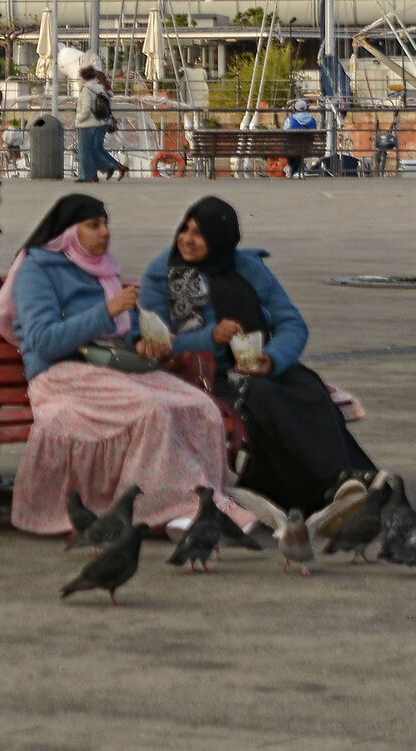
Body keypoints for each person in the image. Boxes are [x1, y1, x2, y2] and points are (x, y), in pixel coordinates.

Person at [0, 194, 246, 537]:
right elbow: (43, 341)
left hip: (113, 368)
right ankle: (170, 509)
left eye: (106, 224)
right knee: (151, 410)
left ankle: (205, 500)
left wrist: (148, 346)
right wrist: (107, 311)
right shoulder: (38, 269)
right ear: (68, 233)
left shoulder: (104, 268)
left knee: (199, 406)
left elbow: (120, 338)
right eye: (94, 225)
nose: (105, 233)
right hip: (61, 373)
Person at [143, 197, 371, 515]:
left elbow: (291, 322)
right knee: (265, 397)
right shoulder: (163, 274)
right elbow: (150, 343)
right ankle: (336, 482)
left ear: (221, 240)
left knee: (307, 388)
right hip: (206, 376)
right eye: (185, 228)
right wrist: (210, 337)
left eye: (199, 232)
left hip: (257, 365)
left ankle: (357, 480)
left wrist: (274, 358)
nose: (187, 239)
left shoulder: (248, 268)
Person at [74, 69, 123, 183]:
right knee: (94, 148)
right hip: (101, 121)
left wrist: (79, 119)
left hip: (88, 123)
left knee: (87, 150)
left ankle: (95, 172)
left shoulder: (87, 89)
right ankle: (106, 168)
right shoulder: (101, 89)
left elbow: (86, 108)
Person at [282, 96, 320, 177]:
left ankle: (294, 170)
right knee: (300, 148)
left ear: (294, 109)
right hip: (308, 148)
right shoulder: (314, 120)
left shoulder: (290, 120)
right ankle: (296, 169)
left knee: (290, 146)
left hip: (292, 148)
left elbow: (285, 133)